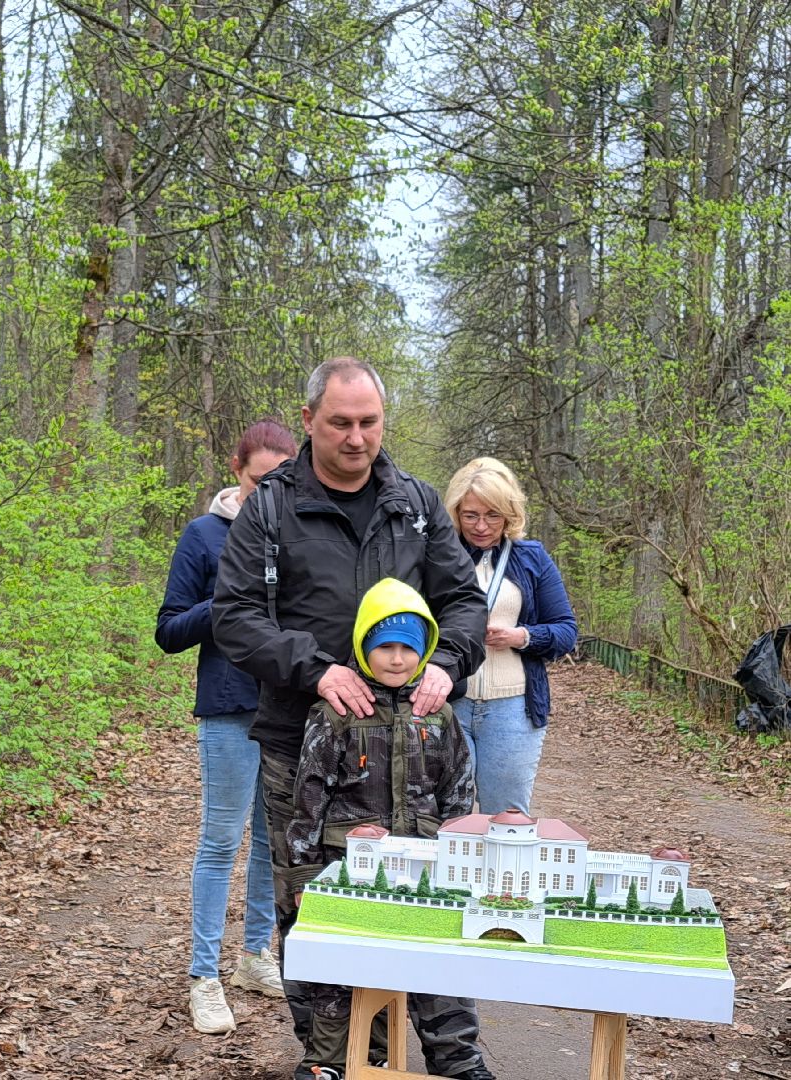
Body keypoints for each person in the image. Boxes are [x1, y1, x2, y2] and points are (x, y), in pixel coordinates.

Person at [211, 357, 487, 1080]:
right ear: (309, 420)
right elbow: (234, 617)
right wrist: (317, 669)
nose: (357, 438)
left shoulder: (416, 504)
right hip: (302, 746)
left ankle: (451, 1056)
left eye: (369, 422)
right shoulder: (271, 507)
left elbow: (464, 602)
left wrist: (447, 661)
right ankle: (339, 1060)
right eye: (340, 423)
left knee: (432, 903)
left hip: (415, 750)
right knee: (316, 911)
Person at [285, 577, 486, 1080]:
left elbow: (459, 791)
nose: (397, 660)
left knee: (439, 962)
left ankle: (458, 1060)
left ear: (425, 652)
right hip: (349, 869)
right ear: (363, 648)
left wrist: (457, 858)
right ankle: (331, 1061)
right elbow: (309, 798)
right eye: (385, 648)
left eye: (408, 649)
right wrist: (305, 875)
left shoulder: (438, 716)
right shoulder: (336, 715)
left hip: (424, 868)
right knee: (340, 966)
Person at [156, 420, 299, 1035]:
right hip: (229, 705)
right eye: (257, 479)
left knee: (273, 841)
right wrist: (226, 602)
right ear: (236, 471)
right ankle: (203, 975)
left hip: (290, 706)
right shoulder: (204, 535)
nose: (268, 491)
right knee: (221, 840)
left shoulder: (301, 533)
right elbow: (169, 631)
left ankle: (255, 954)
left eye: (279, 480)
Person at [444, 457, 578, 816]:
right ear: (456, 512)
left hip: (512, 708)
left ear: (509, 514)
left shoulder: (531, 558)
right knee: (445, 815)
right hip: (448, 702)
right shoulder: (440, 556)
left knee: (505, 817)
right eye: (470, 515)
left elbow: (566, 631)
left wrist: (521, 636)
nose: (481, 526)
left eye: (493, 515)